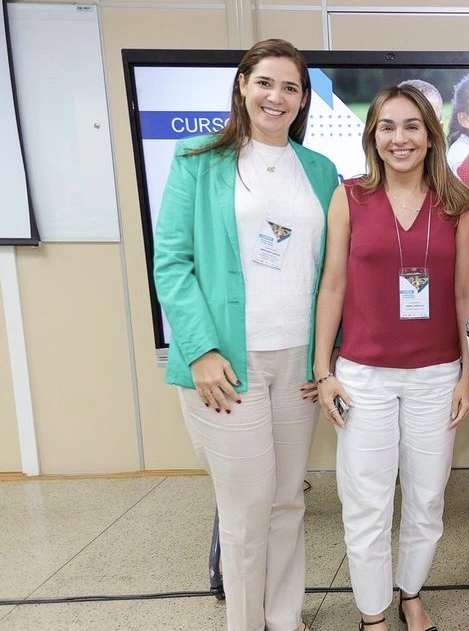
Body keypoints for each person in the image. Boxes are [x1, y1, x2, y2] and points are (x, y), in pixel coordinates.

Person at [153, 38, 339, 631]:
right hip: (226, 364)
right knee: (245, 509)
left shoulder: (321, 170)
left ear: (304, 98)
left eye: (290, 87)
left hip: (298, 364)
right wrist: (201, 350)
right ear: (242, 86)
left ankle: (284, 617)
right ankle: (245, 623)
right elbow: (171, 262)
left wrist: (325, 358)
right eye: (265, 82)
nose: (276, 96)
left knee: (287, 500)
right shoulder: (198, 160)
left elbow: (332, 271)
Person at [312, 85, 469, 631]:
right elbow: (332, 285)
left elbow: (463, 294)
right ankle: (373, 614)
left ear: (431, 135)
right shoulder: (349, 197)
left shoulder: (457, 204)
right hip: (364, 377)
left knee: (427, 501)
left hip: (436, 376)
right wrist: (323, 371)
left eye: (411, 126)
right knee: (367, 503)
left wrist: (468, 376)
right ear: (372, 136)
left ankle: (410, 593)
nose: (399, 138)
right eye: (387, 127)